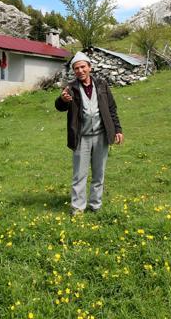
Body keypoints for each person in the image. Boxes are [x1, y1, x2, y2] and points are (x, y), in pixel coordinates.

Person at [55, 52, 123, 216]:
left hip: (101, 136)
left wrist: (118, 129)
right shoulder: (70, 88)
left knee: (99, 173)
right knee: (79, 174)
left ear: (89, 67)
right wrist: (63, 100)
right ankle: (78, 207)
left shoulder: (102, 85)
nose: (80, 71)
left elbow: (112, 108)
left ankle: (95, 205)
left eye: (83, 67)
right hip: (81, 138)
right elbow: (59, 106)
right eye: (76, 68)